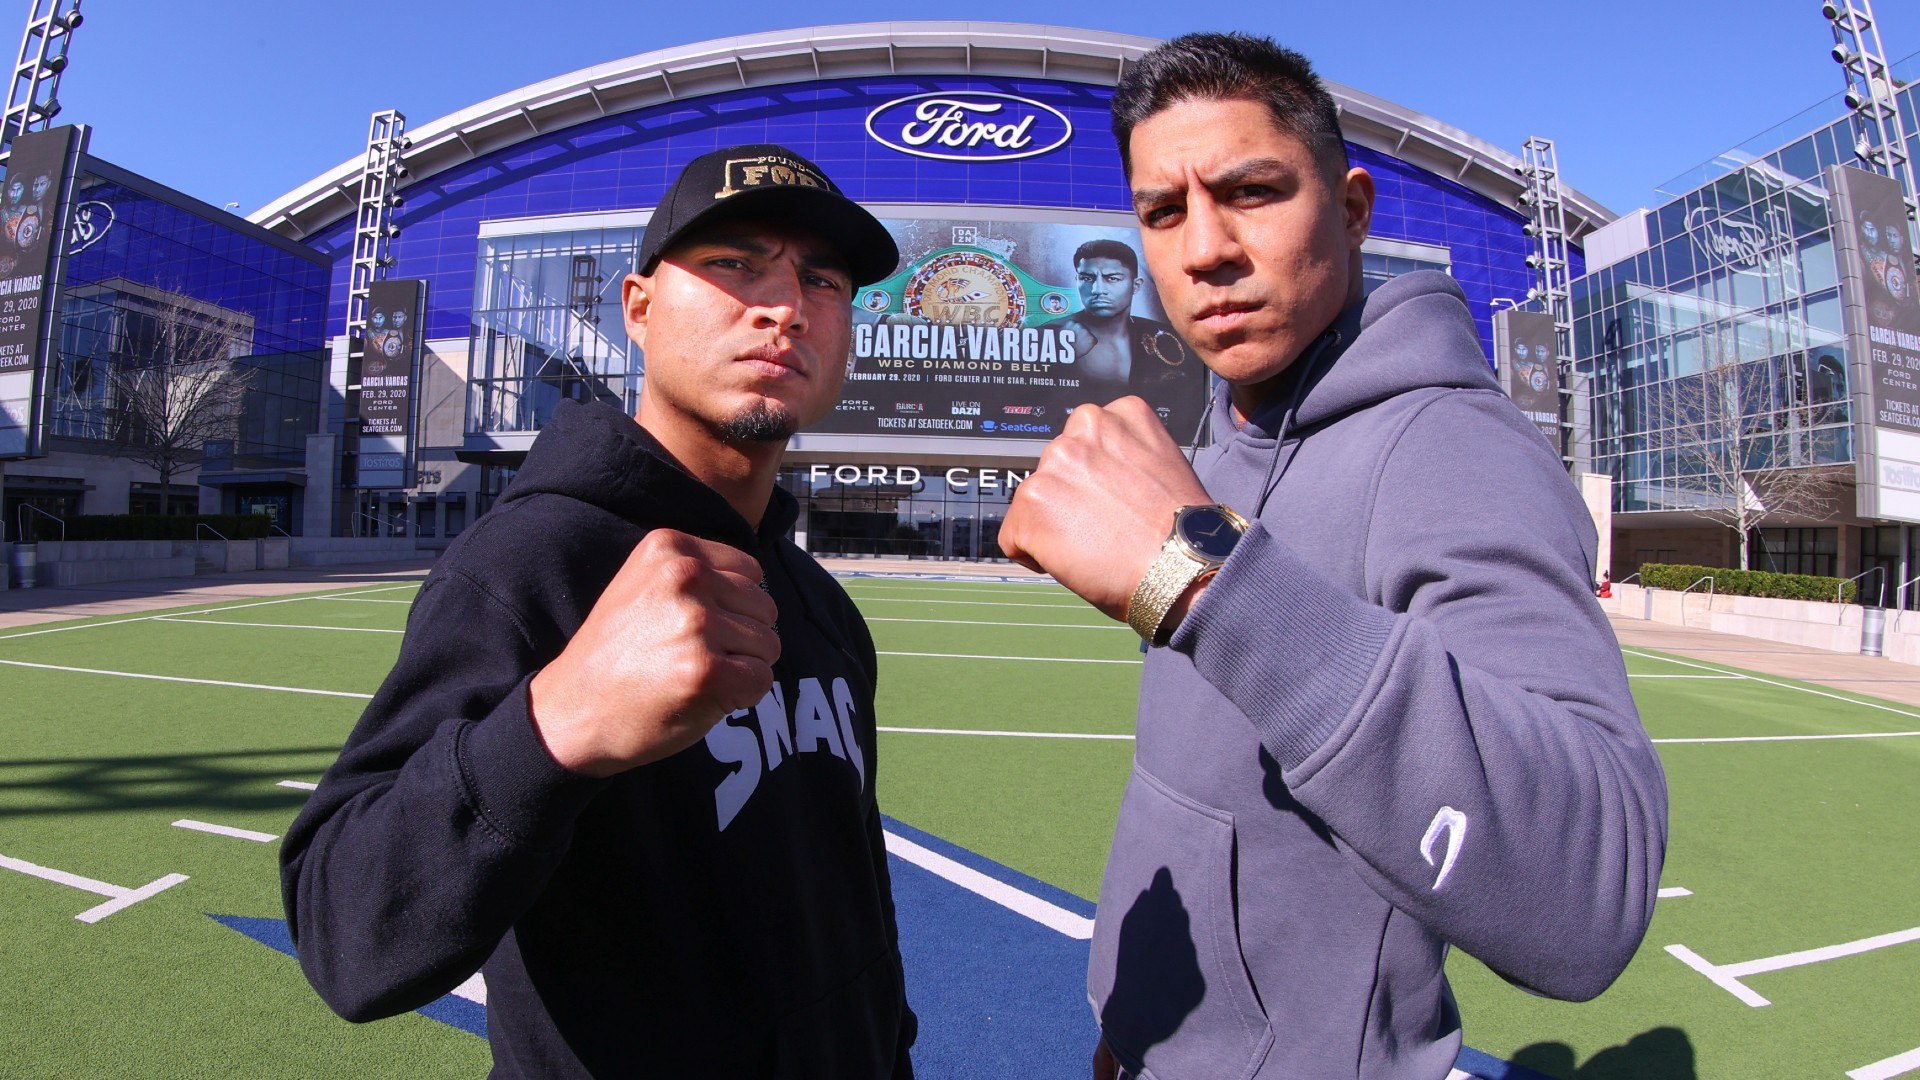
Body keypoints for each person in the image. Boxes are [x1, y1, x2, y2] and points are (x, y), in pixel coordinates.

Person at [997, 33, 1667, 1080]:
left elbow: (1592, 895)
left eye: (1252, 191)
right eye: (1162, 212)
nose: (1204, 247)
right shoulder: (1225, 445)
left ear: (1352, 209)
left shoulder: (1450, 447)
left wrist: (1202, 574)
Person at [280, 144, 916, 1078]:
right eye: (736, 264)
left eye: (820, 279)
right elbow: (348, 938)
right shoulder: (532, 559)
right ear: (639, 309)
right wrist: (555, 724)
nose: (784, 306)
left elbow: (854, 881)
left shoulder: (818, 600)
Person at [1046, 238, 1207, 440]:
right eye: (1087, 278)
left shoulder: (1171, 338)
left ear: (1136, 285)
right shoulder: (1049, 336)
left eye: (1112, 278)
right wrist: (1065, 359)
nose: (1097, 290)